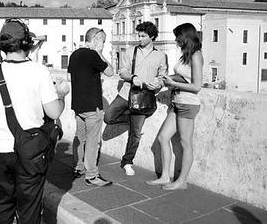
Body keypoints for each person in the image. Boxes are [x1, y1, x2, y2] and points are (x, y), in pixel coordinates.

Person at [0, 19, 68, 224]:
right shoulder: (40, 71)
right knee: (29, 209)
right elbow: (53, 113)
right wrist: (62, 95)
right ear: (26, 43)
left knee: (1, 208)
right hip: (31, 151)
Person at [104, 21, 168, 176]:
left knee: (136, 134)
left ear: (151, 36)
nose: (139, 38)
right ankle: (130, 122)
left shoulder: (161, 56)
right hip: (126, 93)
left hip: (144, 97)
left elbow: (162, 77)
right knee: (108, 117)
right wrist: (133, 77)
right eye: (138, 35)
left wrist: (158, 84)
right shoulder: (130, 51)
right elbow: (122, 71)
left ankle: (127, 162)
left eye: (143, 36)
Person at [146, 23, 203, 190]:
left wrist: (171, 82)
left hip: (188, 104)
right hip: (176, 102)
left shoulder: (196, 55)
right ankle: (165, 176)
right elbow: (181, 76)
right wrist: (166, 78)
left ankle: (181, 181)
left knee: (186, 143)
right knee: (163, 138)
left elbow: (196, 86)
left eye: (178, 37)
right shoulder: (185, 55)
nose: (176, 40)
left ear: (185, 36)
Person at [68, 27, 114, 186]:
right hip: (92, 106)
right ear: (96, 40)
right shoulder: (94, 55)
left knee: (79, 137)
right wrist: (100, 52)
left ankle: (78, 167)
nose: (104, 44)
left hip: (78, 105)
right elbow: (110, 72)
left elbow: (69, 76)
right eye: (103, 41)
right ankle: (92, 175)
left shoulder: (74, 54)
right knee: (93, 141)